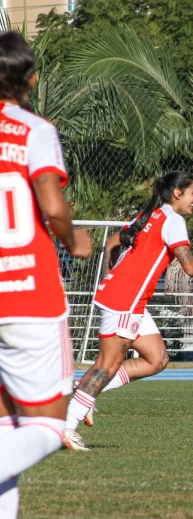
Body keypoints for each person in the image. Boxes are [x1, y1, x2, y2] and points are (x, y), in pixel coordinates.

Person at [63, 171, 193, 451]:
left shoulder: (150, 215)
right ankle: (67, 427)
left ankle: (84, 392)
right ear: (177, 194)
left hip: (127, 297)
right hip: (125, 300)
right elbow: (189, 266)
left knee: (157, 358)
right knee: (107, 365)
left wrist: (118, 273)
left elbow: (113, 243)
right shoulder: (174, 220)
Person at [0, 32, 93, 518]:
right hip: (26, 296)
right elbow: (53, 207)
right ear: (31, 78)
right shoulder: (33, 129)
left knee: (6, 429)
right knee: (48, 429)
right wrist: (75, 239)